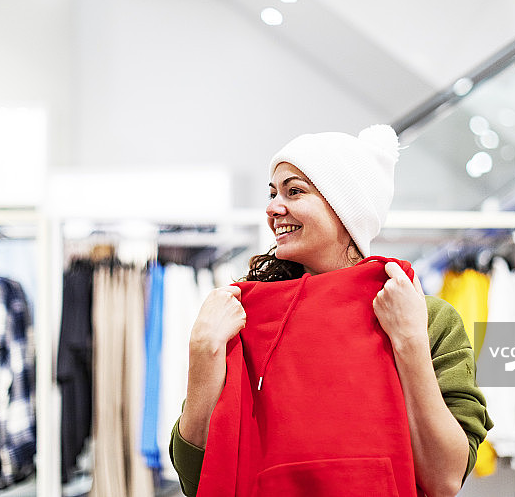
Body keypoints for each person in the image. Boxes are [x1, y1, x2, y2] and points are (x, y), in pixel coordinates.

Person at [169, 125, 492, 497]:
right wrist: (203, 350)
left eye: (294, 191)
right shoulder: (244, 317)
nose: (272, 208)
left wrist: (410, 341)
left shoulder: (425, 315)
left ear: (344, 208)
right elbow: (197, 480)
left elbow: (446, 478)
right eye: (272, 193)